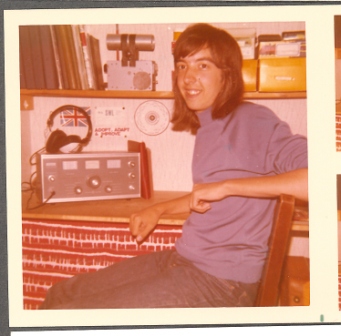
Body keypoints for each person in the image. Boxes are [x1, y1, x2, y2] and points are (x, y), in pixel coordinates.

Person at [40, 23, 308, 309]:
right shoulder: (208, 125)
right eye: (182, 66)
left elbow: (318, 180)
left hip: (224, 282)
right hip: (185, 260)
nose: (188, 77)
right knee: (61, 294)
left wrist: (227, 186)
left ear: (226, 74)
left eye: (203, 65)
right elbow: (207, 195)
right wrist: (159, 209)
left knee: (73, 314)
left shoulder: (254, 120)